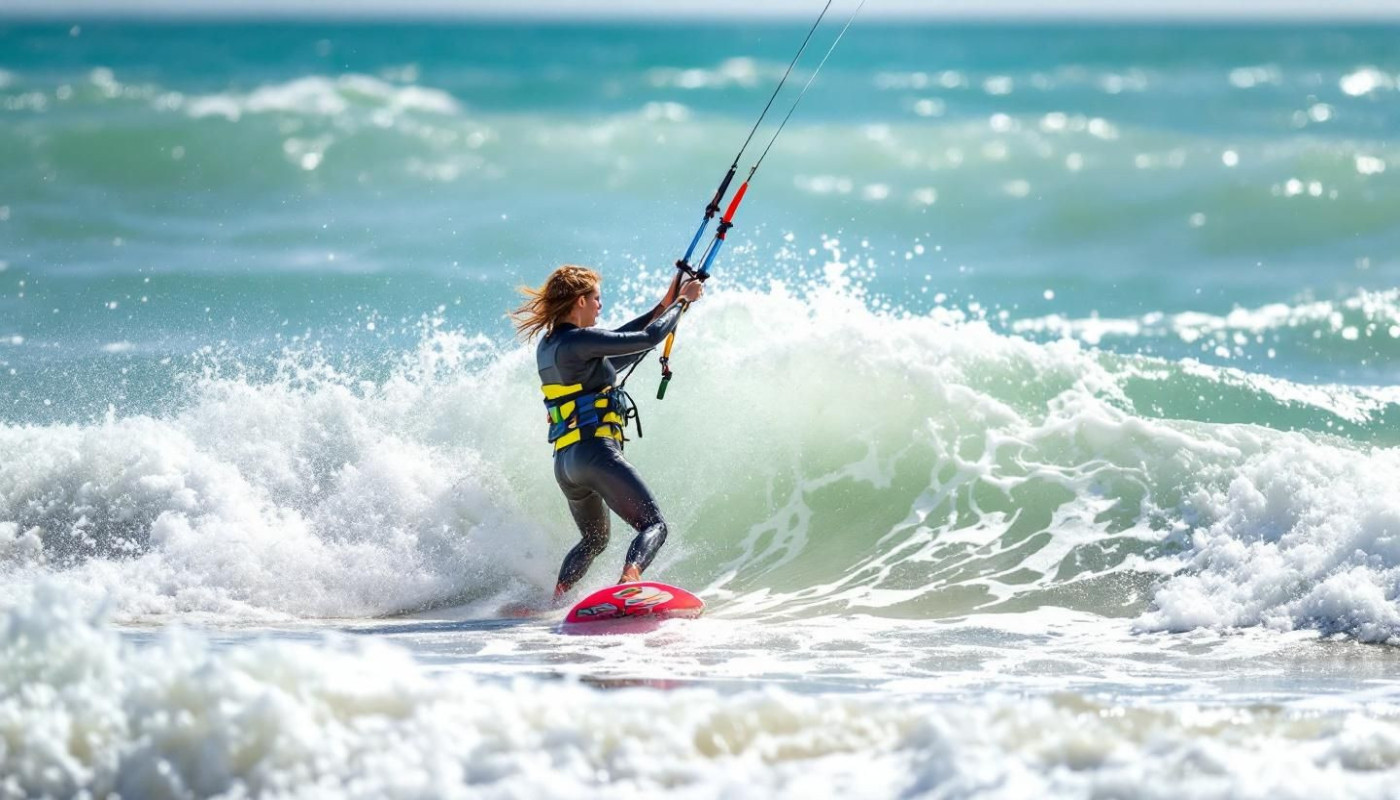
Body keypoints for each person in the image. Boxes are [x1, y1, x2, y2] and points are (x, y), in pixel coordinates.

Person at [511, 264, 704, 603]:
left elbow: (623, 352)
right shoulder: (581, 340)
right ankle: (630, 579)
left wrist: (663, 306)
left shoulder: (550, 346)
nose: (601, 305)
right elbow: (646, 339)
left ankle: (556, 599)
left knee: (594, 540)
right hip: (596, 453)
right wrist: (682, 303)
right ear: (580, 301)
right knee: (654, 526)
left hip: (566, 463)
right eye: (597, 299)